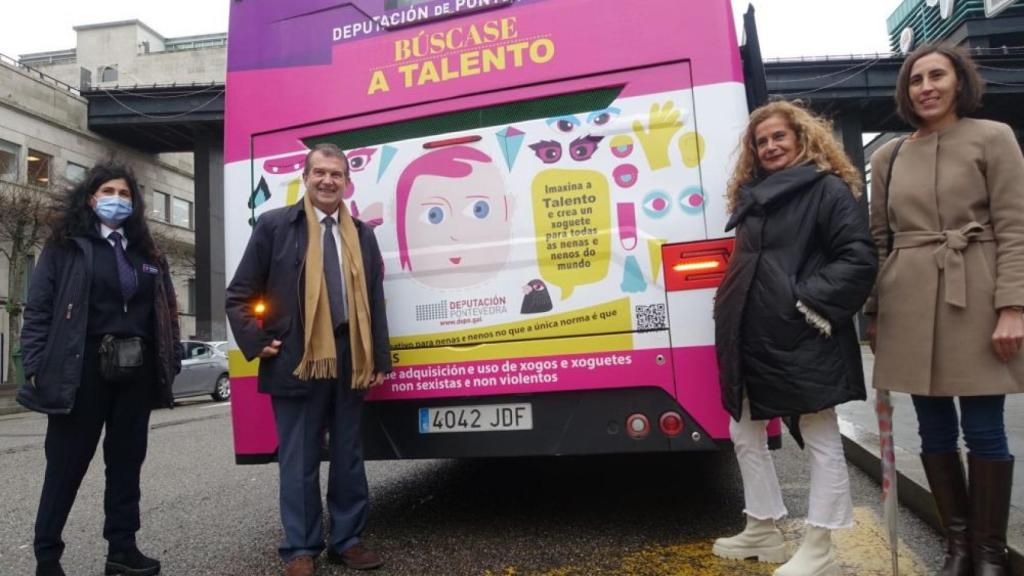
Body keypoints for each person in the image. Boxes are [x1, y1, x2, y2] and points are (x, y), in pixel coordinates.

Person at [866, 44, 1024, 576]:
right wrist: (875, 310)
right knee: (931, 432)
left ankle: (989, 554)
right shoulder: (888, 156)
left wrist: (1013, 307)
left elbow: (1014, 227)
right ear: (906, 91)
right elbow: (879, 240)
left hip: (975, 292)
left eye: (937, 75)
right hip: (907, 298)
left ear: (960, 82)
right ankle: (957, 549)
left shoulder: (993, 137)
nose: (926, 86)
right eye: (916, 79)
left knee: (984, 429)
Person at [712, 101, 877, 575]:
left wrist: (807, 303)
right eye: (761, 141)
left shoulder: (827, 190)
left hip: (800, 331)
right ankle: (762, 528)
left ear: (802, 138)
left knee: (819, 434)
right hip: (750, 331)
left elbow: (858, 257)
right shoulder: (751, 196)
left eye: (779, 137)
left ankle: (821, 546)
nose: (770, 147)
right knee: (743, 431)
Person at [226, 143, 392, 576]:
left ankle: (348, 540)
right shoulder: (275, 227)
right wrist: (257, 340)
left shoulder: (362, 233)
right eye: (320, 172)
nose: (327, 181)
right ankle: (300, 548)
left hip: (350, 358)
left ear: (347, 182)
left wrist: (378, 356)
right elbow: (240, 294)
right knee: (298, 458)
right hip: (296, 361)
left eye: (336, 174)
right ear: (305, 176)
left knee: (349, 456)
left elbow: (374, 300)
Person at [18, 162, 182, 576]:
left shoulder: (149, 254)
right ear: (91, 198)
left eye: (125, 193)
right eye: (108, 191)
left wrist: (172, 356)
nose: (117, 199)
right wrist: (34, 364)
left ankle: (122, 549)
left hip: (136, 372)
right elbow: (38, 310)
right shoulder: (66, 248)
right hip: (81, 370)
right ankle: (47, 556)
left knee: (127, 464)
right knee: (66, 465)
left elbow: (167, 312)